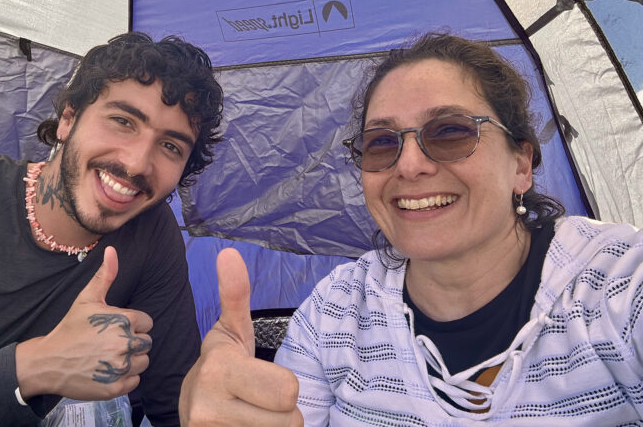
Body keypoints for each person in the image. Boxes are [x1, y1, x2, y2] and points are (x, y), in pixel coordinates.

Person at [179, 32, 643, 426]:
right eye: (381, 142)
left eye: (449, 131)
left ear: (522, 164)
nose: (410, 165)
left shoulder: (616, 285)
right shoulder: (335, 313)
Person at [0, 31, 223, 426]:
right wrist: (36, 366)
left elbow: (175, 402)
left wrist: (219, 405)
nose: (138, 163)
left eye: (171, 146)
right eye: (123, 121)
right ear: (68, 119)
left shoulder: (151, 233)